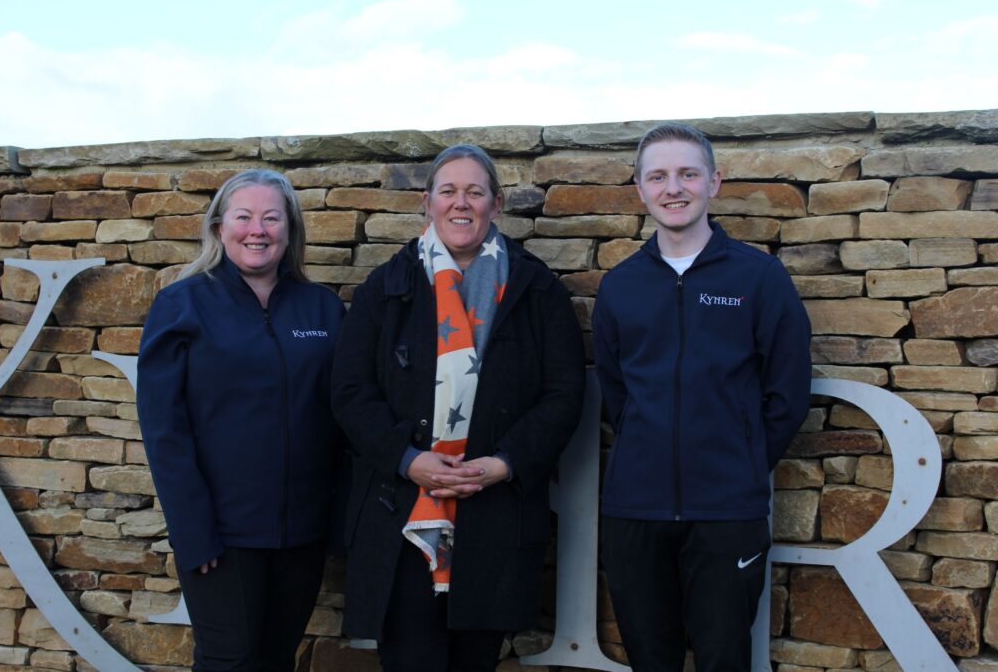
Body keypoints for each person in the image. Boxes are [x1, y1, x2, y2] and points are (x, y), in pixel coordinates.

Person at [332, 144, 585, 672]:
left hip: (493, 514)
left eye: (475, 191)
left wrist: (505, 462)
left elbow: (563, 395)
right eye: (448, 191)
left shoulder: (537, 289)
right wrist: (405, 457)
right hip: (402, 516)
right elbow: (351, 393)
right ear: (427, 202)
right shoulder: (385, 289)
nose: (460, 203)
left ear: (496, 204)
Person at [592, 123, 812, 672]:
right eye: (658, 176)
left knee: (723, 659)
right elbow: (616, 392)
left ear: (714, 181)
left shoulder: (759, 278)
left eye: (688, 173)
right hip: (634, 512)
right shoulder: (620, 286)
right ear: (640, 189)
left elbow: (787, 392)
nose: (674, 188)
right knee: (650, 659)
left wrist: (741, 462)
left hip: (726, 512)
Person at [137, 169, 345, 671]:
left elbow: (343, 418)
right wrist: (193, 531)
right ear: (218, 227)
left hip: (303, 533)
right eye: (244, 216)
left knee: (277, 659)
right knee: (229, 659)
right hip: (222, 538)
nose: (258, 229)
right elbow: (165, 431)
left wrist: (337, 524)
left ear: (290, 230)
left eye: (272, 217)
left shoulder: (322, 308)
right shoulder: (181, 305)